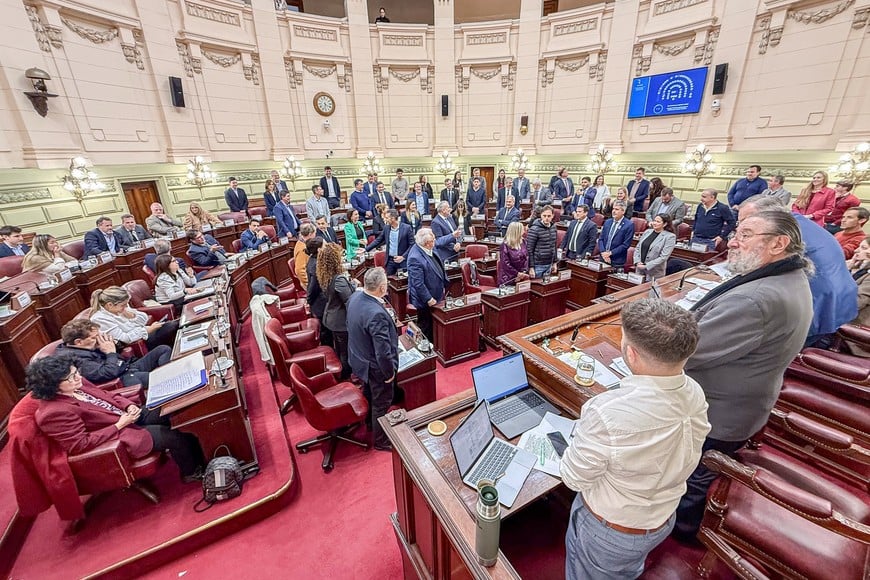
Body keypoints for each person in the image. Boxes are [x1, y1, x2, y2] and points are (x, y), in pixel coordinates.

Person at [675, 208, 814, 540]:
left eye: (746, 235)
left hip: (718, 415)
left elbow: (687, 351)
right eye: (737, 233)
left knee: (693, 481)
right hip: (744, 402)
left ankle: (680, 536)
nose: (733, 242)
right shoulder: (786, 277)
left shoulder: (757, 299)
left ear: (779, 243)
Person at [561, 298, 710, 580]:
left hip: (611, 531)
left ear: (630, 353)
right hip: (662, 517)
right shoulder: (695, 391)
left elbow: (573, 479)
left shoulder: (607, 412)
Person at [29, 355, 204, 483]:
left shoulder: (77, 383)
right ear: (52, 386)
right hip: (118, 433)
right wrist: (120, 425)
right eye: (70, 378)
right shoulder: (53, 413)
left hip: (126, 415)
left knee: (175, 410)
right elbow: (79, 444)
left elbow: (107, 395)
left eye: (76, 373)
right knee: (172, 436)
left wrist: (128, 405)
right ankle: (191, 472)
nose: (77, 378)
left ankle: (205, 452)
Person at [744, 196, 857, 347]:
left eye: (748, 219)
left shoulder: (783, 235)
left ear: (770, 216)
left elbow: (760, 270)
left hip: (818, 305)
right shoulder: (799, 223)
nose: (743, 225)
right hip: (838, 299)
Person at [347, 267, 398, 451]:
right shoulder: (376, 314)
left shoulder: (355, 297)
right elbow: (383, 352)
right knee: (382, 402)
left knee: (369, 394)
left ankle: (370, 424)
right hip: (375, 367)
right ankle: (381, 441)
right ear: (382, 288)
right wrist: (389, 373)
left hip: (359, 359)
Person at [55, 319, 172, 389]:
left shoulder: (89, 345)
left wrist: (114, 344)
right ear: (79, 342)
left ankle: (170, 370)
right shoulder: (74, 359)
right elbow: (107, 373)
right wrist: (110, 353)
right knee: (164, 378)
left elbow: (119, 354)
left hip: (126, 366)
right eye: (94, 337)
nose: (99, 338)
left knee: (163, 349)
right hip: (120, 377)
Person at [90, 286, 178, 350]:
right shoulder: (99, 319)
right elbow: (124, 338)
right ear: (110, 305)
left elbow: (144, 319)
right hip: (137, 344)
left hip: (143, 335)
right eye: (123, 305)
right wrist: (148, 330)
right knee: (171, 327)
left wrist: (131, 315)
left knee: (174, 324)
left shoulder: (119, 308)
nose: (125, 307)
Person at [319, 243, 357, 378]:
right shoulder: (339, 278)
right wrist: (354, 287)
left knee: (340, 349)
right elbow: (349, 300)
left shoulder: (325, 274)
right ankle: (346, 377)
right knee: (345, 351)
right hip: (341, 320)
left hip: (331, 317)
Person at [407, 228, 452, 341]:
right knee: (426, 325)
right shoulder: (415, 258)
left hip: (436, 293)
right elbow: (418, 283)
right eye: (433, 240)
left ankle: (435, 343)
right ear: (427, 243)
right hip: (425, 300)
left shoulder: (428, 248)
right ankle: (427, 348)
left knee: (435, 322)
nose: (435, 241)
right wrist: (428, 298)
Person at [365, 209, 414, 275]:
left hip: (403, 261)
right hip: (390, 261)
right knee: (390, 282)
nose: (385, 219)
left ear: (393, 218)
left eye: (387, 218)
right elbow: (378, 240)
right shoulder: (386, 228)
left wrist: (403, 257)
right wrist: (365, 249)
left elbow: (412, 245)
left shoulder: (407, 228)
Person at [845, 237, 870, 357]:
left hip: (851, 337)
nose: (856, 251)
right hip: (842, 324)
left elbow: (855, 303)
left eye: (864, 248)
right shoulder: (861, 269)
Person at [634, 214, 676, 281]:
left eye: (658, 222)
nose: (654, 223)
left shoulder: (670, 237)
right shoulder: (647, 232)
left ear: (665, 224)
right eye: (654, 221)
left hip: (654, 273)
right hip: (639, 270)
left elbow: (663, 257)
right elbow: (638, 248)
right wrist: (637, 262)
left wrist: (646, 266)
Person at [305, 237, 330, 346]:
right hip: (320, 303)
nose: (327, 247)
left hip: (320, 301)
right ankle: (329, 352)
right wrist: (309, 300)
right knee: (326, 331)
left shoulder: (314, 259)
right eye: (324, 245)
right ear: (319, 250)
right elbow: (313, 287)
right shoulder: (315, 265)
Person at [598, 201, 633, 271]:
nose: (614, 211)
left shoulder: (629, 225)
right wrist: (604, 253)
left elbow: (626, 245)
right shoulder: (608, 222)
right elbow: (601, 239)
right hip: (603, 258)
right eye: (613, 209)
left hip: (617, 261)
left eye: (617, 209)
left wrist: (610, 253)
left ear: (623, 211)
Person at [527, 205, 558, 278]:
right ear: (541, 215)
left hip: (549, 264)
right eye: (544, 216)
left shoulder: (554, 227)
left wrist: (554, 262)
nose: (546, 218)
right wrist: (531, 267)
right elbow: (529, 249)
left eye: (549, 216)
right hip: (538, 265)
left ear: (553, 216)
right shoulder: (534, 229)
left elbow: (554, 246)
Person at [497, 222, 529, 286]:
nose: (524, 231)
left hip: (522, 276)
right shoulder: (505, 245)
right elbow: (505, 264)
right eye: (522, 229)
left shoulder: (524, 242)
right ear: (517, 231)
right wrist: (517, 274)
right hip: (508, 278)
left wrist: (523, 272)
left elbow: (527, 257)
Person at [293, 223, 317, 287]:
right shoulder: (302, 249)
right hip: (308, 284)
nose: (315, 236)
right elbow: (300, 270)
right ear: (310, 234)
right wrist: (310, 284)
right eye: (315, 233)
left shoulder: (303, 243)